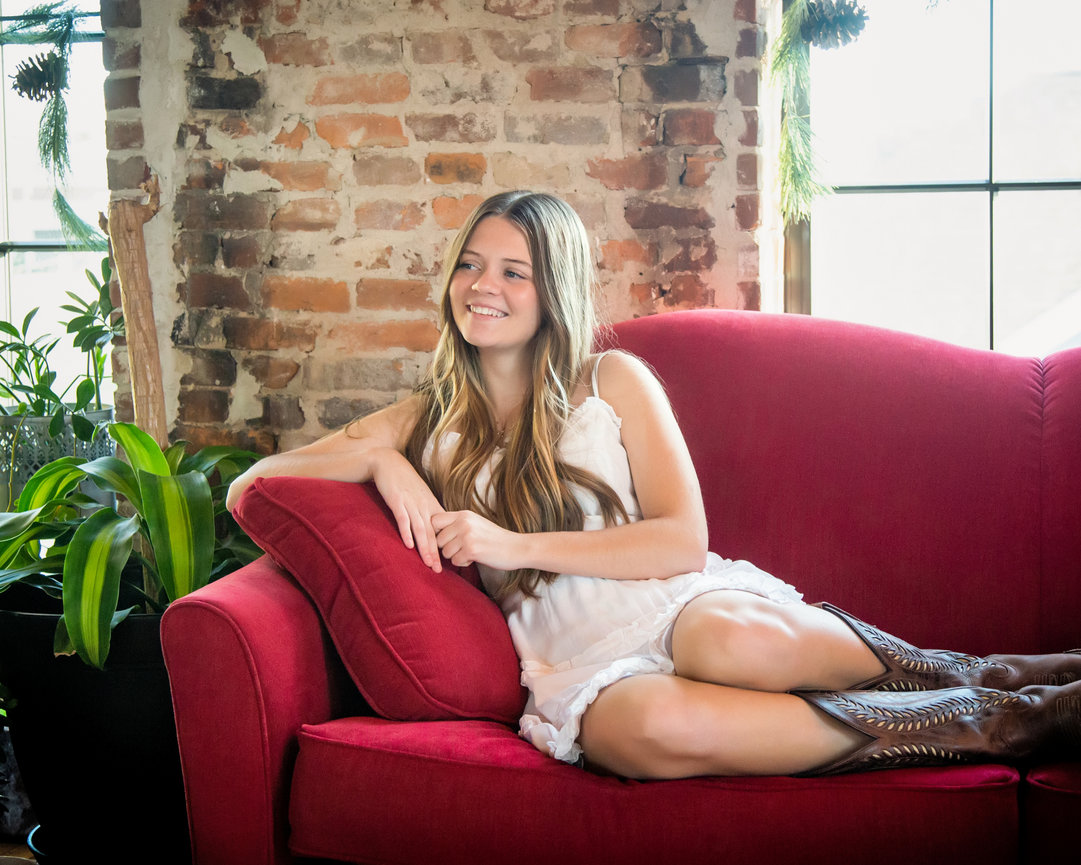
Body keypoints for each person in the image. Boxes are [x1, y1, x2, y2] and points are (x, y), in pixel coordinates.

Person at [227, 190, 1081, 779]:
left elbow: (679, 539)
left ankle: (983, 680)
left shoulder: (614, 380)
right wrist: (381, 461)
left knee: (729, 645)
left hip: (671, 602)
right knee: (643, 733)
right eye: (470, 265)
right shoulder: (425, 418)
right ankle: (980, 724)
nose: (482, 287)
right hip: (571, 658)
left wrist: (508, 543)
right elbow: (253, 487)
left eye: (512, 271)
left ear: (550, 287)